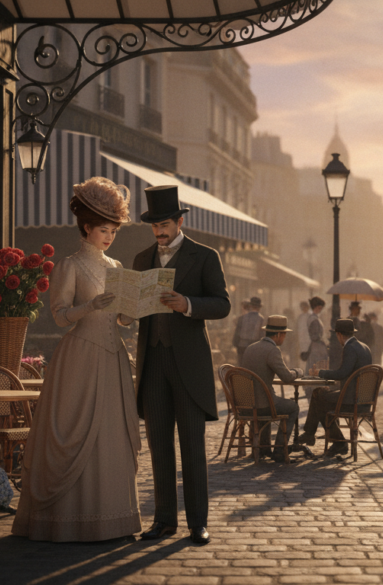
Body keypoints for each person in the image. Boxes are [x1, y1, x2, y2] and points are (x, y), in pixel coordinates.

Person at [13, 176, 142, 542]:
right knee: (75, 427)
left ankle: (110, 518)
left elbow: (121, 318)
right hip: (80, 356)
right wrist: (89, 306)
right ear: (87, 227)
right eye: (104, 229)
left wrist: (131, 312)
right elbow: (58, 316)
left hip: (113, 353)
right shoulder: (70, 265)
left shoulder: (116, 266)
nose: (109, 237)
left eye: (114, 231)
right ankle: (68, 520)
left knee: (112, 431)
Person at [134, 185, 230, 545]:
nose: (159, 232)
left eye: (165, 225)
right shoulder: (141, 260)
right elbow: (136, 310)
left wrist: (187, 304)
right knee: (159, 445)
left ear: (179, 221)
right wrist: (127, 311)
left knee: (192, 446)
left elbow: (222, 305)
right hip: (153, 360)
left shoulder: (205, 256)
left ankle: (197, 523)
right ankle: (164, 521)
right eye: (154, 226)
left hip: (189, 363)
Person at [295, 319, 372, 457]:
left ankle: (337, 442)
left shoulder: (350, 348)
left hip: (351, 401)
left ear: (339, 335)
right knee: (320, 394)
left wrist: (320, 372)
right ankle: (312, 435)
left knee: (319, 397)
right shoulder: (364, 347)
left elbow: (342, 373)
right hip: (364, 400)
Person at [240, 315, 303, 463]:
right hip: (263, 406)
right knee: (293, 407)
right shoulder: (272, 350)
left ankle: (263, 448)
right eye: (285, 335)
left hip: (246, 405)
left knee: (266, 400)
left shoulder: (250, 348)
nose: (284, 338)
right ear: (279, 335)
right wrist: (298, 372)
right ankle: (280, 451)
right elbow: (287, 377)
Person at [233, 297, 264, 365]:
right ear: (259, 308)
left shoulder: (242, 318)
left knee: (242, 365)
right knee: (252, 366)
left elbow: (237, 333)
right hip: (254, 347)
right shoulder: (261, 319)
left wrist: (235, 344)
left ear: (250, 306)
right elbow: (262, 335)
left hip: (242, 346)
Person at [304, 297, 329, 373]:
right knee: (316, 366)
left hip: (316, 347)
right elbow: (314, 336)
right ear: (317, 307)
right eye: (320, 308)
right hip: (317, 348)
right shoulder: (314, 320)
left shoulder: (314, 318)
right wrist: (323, 340)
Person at [296, 300, 311, 368]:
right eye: (302, 307)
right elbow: (298, 328)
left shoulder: (310, 316)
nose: (304, 308)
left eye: (305, 307)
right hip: (301, 339)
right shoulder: (300, 317)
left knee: (309, 354)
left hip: (309, 339)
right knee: (302, 355)